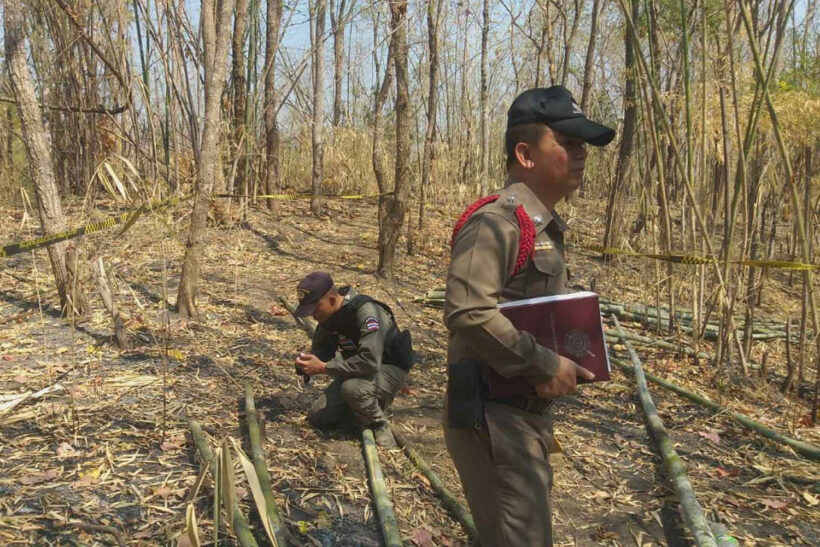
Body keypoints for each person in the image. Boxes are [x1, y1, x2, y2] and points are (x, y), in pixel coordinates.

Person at [443, 86, 615, 546]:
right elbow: (469, 311)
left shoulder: (537, 224)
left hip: (521, 414)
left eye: (583, 146)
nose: (580, 155)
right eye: (568, 143)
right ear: (525, 154)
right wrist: (545, 364)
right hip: (494, 418)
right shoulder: (496, 223)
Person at [291, 271, 414, 447]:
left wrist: (324, 368)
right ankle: (361, 409)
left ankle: (378, 423)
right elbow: (324, 350)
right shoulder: (328, 316)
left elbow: (370, 362)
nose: (312, 316)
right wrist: (306, 363)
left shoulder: (367, 312)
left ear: (332, 300)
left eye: (314, 309)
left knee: (353, 389)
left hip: (388, 368)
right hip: (358, 370)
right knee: (319, 416)